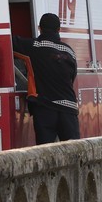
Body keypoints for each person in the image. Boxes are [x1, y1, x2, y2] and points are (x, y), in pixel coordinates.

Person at [12, 13, 79, 144]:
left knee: (45, 152)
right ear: (59, 30)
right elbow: (72, 77)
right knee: (74, 153)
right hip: (69, 109)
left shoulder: (34, 47)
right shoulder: (70, 51)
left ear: (39, 28)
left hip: (45, 109)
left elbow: (9, 42)